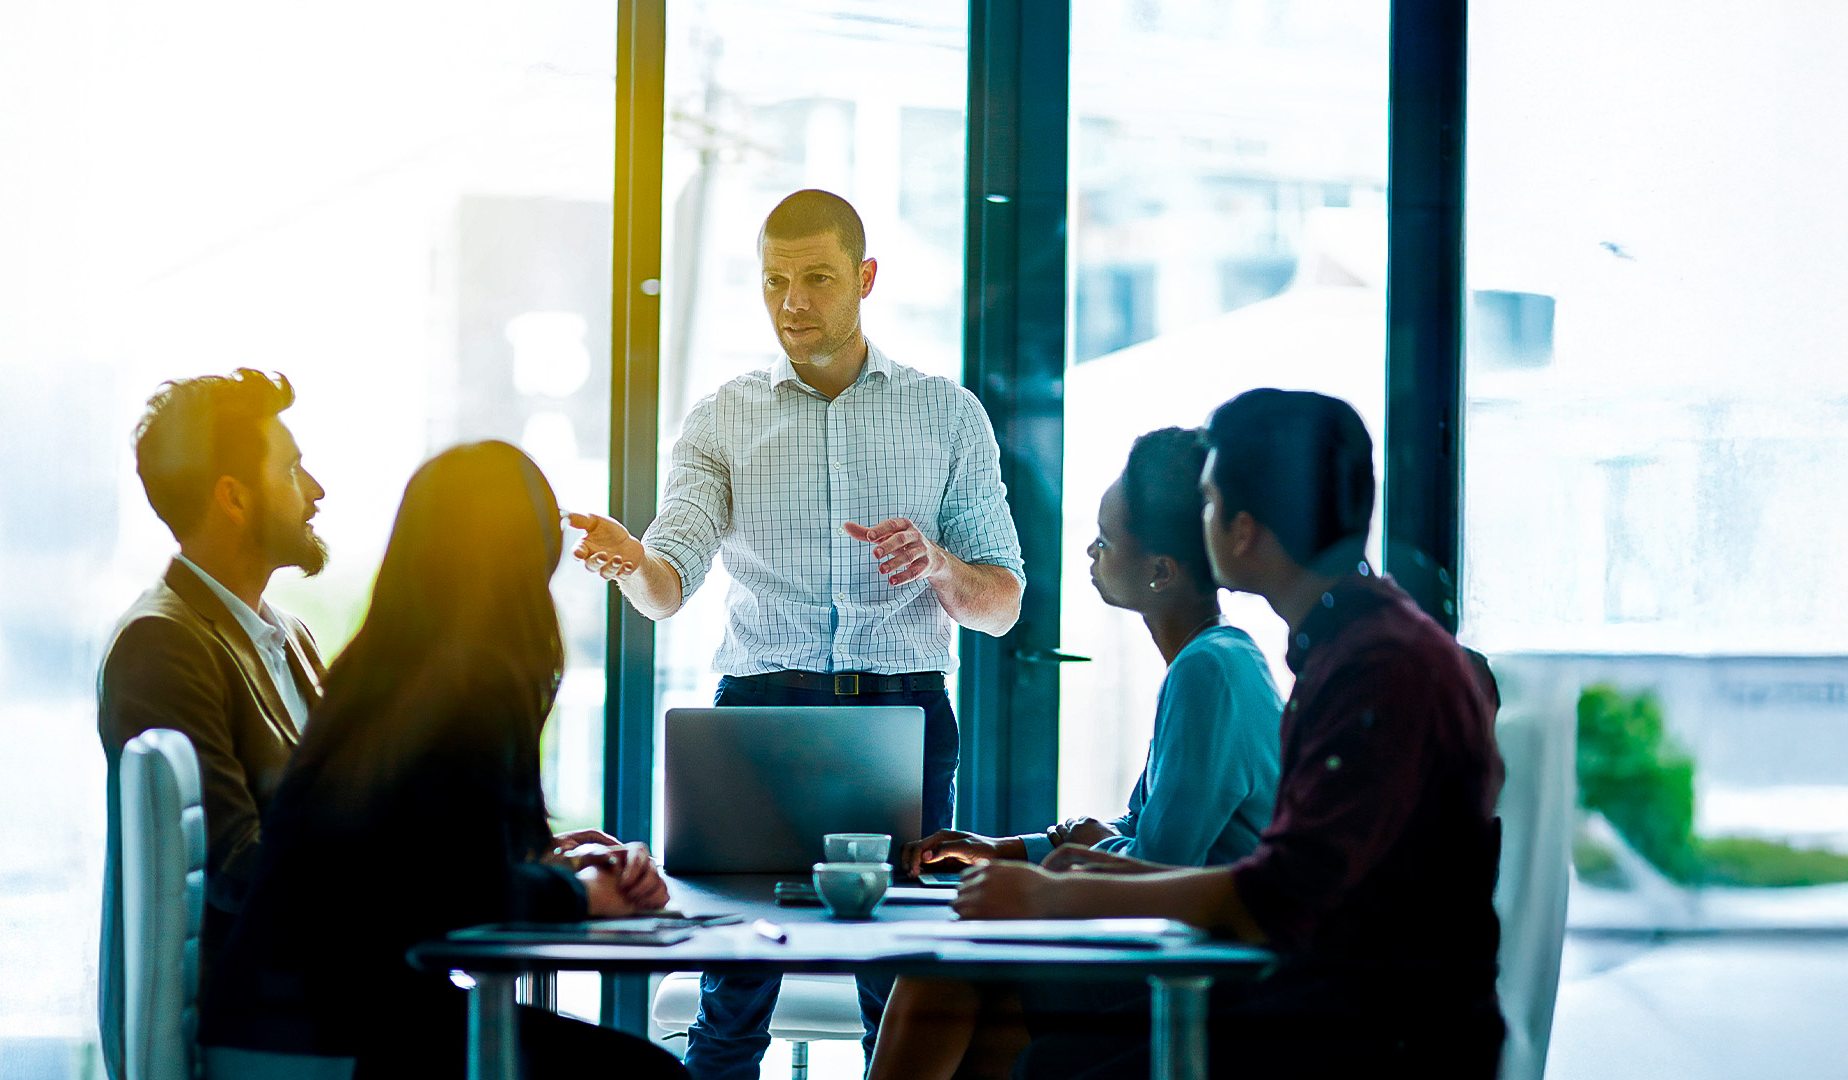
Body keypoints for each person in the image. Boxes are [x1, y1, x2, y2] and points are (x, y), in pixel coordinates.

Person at [566, 189, 1026, 1080]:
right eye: (775, 280)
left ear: (865, 277)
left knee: (899, 988)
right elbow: (669, 587)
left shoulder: (948, 414)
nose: (794, 302)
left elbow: (1001, 603)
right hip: (757, 719)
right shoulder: (723, 417)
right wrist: (632, 562)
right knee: (733, 987)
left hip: (903, 716)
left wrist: (936, 564)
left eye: (817, 277)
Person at [955, 389, 1505, 1080]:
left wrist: (1058, 892)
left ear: (1242, 531)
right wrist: (1081, 868)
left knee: (1042, 1061)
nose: (1199, 518)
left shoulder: (1377, 668)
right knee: (1040, 1050)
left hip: (1375, 1036)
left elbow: (1272, 898)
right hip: (1345, 1003)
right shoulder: (1358, 644)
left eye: (1209, 501)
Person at [198, 441, 686, 1078]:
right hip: (333, 1032)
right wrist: (584, 892)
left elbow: (430, 856)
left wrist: (560, 863)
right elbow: (464, 891)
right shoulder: (472, 683)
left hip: (284, 1012)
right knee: (648, 1075)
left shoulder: (386, 670)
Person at [869, 428, 1284, 1080]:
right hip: (1183, 948)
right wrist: (1005, 850)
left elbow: (1158, 861)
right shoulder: (1212, 661)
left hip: (1210, 969)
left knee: (942, 972)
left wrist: (1072, 854)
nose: (1091, 553)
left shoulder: (1211, 673)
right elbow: (1139, 836)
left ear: (1160, 572)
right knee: (976, 1010)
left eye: (1105, 541)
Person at [97, 369, 330, 1079]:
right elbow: (242, 869)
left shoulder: (287, 636)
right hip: (271, 1017)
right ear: (233, 495)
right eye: (290, 468)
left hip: (323, 998)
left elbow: (351, 816)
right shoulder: (163, 642)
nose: (315, 490)